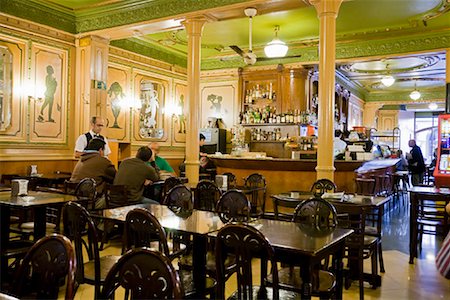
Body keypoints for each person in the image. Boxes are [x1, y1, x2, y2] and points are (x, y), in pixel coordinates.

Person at [70, 138, 116, 209]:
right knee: (115, 198)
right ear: (100, 150)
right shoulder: (103, 161)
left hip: (75, 203)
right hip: (91, 203)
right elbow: (116, 177)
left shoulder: (81, 160)